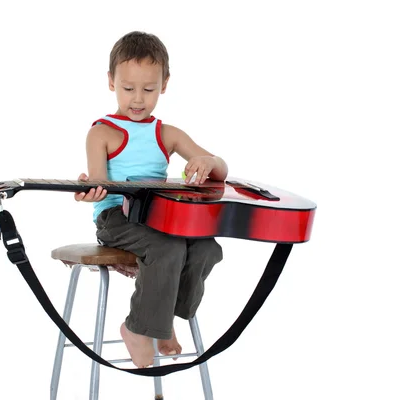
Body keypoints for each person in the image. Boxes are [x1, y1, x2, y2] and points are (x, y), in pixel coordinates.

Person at [74, 31, 227, 368]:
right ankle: (139, 328)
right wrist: (91, 192)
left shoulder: (167, 133)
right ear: (112, 82)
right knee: (167, 248)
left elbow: (220, 168)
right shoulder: (101, 132)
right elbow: (98, 180)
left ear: (165, 84)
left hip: (157, 219)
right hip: (116, 217)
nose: (139, 99)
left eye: (149, 89)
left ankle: (165, 318)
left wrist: (209, 163)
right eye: (129, 89)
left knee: (206, 247)